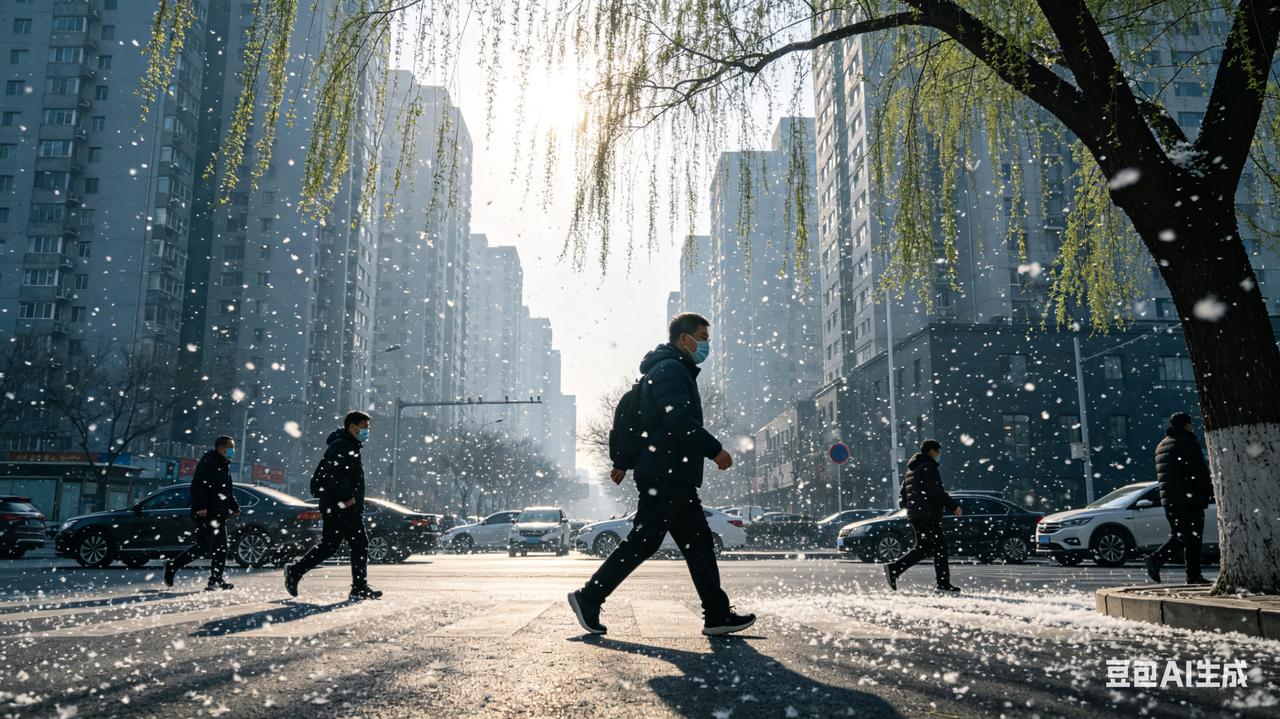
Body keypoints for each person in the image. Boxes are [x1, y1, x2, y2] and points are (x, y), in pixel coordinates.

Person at [568, 312, 755, 636]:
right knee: (645, 541)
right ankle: (589, 596)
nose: (706, 345)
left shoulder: (669, 369)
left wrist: (626, 461)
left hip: (673, 474)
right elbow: (677, 420)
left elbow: (650, 422)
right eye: (703, 337)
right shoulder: (670, 370)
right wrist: (715, 450)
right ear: (685, 338)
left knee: (698, 545)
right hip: (666, 474)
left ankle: (717, 614)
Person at [285, 410, 383, 601]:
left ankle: (358, 587)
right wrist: (348, 497)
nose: (366, 431)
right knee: (340, 545)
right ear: (352, 426)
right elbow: (332, 473)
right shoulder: (341, 445)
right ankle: (296, 571)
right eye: (364, 427)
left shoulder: (350, 445)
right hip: (340, 506)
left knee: (347, 544)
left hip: (345, 507)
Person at [883, 439, 962, 592]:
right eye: (938, 452)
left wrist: (913, 508)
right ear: (932, 451)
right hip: (927, 515)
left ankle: (894, 569)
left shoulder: (912, 469)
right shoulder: (929, 467)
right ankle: (943, 584)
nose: (939, 455)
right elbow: (935, 491)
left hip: (917, 515)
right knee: (940, 548)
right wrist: (954, 507)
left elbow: (903, 495)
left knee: (924, 548)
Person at [1145, 412, 1213, 585]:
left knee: (1181, 536)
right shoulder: (1188, 442)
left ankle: (1160, 560)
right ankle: (1191, 574)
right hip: (1189, 499)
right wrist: (1208, 493)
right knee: (1193, 539)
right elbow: (1199, 472)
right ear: (1186, 424)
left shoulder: (1162, 445)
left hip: (1171, 501)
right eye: (1191, 423)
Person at [165, 436, 240, 590]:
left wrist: (234, 506)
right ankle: (172, 565)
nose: (232, 451)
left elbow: (227, 490)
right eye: (230, 447)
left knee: (222, 547)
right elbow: (197, 485)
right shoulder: (209, 462)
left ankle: (215, 579)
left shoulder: (224, 465)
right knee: (203, 547)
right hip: (207, 513)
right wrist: (200, 506)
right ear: (220, 447)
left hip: (220, 514)